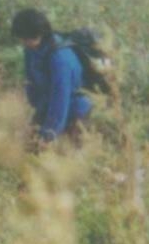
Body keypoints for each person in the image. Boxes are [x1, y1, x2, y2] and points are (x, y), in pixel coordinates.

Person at [11, 9, 92, 147]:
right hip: (47, 106)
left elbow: (60, 98)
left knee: (65, 158)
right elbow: (31, 81)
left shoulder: (60, 59)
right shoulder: (31, 49)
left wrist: (49, 133)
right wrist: (35, 117)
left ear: (40, 34)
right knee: (30, 149)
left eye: (27, 39)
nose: (24, 43)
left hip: (74, 111)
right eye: (22, 39)